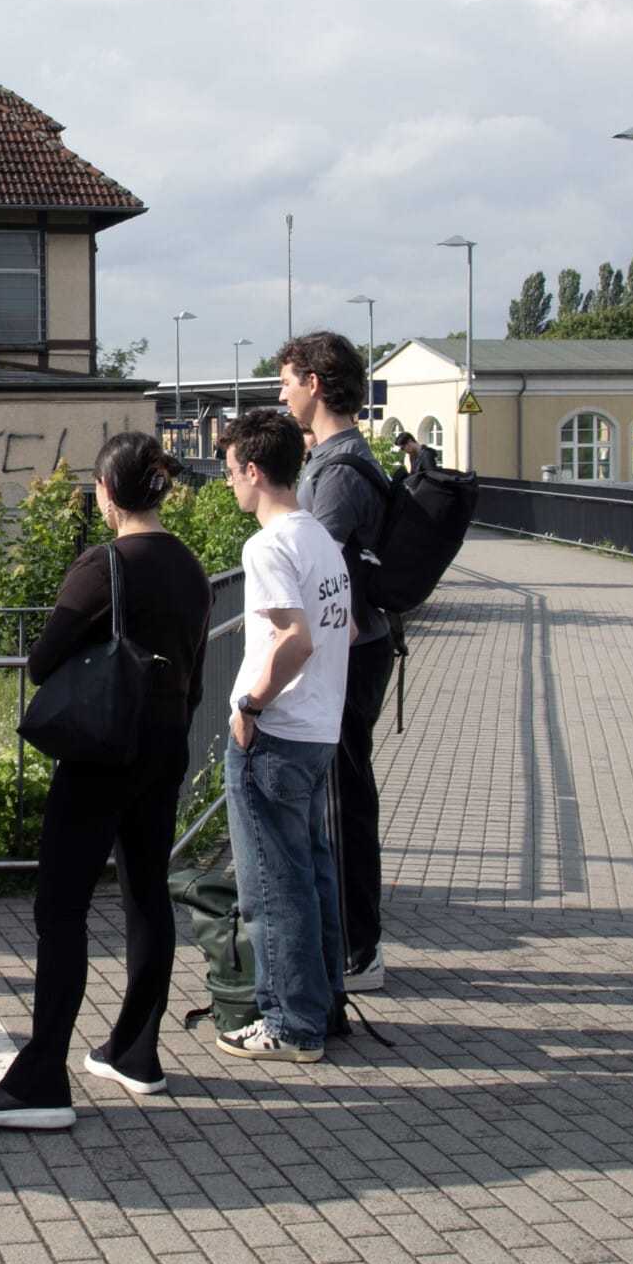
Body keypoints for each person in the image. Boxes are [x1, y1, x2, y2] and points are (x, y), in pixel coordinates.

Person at [0, 434, 210, 1128]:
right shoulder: (189, 565)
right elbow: (191, 664)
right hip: (166, 744)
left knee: (62, 908)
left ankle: (42, 1079)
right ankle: (136, 1053)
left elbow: (42, 663)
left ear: (105, 492)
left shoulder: (105, 564)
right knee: (147, 894)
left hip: (103, 751)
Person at [217, 407, 354, 1062]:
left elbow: (296, 639)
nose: (227, 484)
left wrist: (251, 703)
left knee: (272, 885)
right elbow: (345, 628)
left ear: (253, 470)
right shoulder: (320, 537)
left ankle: (290, 1022)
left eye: (229, 472)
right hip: (319, 727)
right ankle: (323, 1006)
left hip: (276, 732)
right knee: (312, 872)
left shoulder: (267, 545)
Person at [276, 332, 393, 991]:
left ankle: (356, 949)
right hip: (359, 648)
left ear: (315, 383)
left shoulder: (338, 471)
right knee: (341, 796)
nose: (282, 395)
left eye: (287, 381)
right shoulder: (337, 458)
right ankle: (350, 942)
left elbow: (308, 567)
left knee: (344, 803)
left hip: (351, 654)